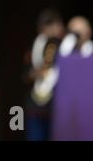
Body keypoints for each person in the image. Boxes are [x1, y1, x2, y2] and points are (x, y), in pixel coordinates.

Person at [23, 9, 64, 141]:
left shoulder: (66, 46)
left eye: (54, 25)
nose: (51, 29)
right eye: (47, 26)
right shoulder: (35, 45)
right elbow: (25, 73)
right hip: (36, 102)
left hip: (58, 103)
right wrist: (36, 73)